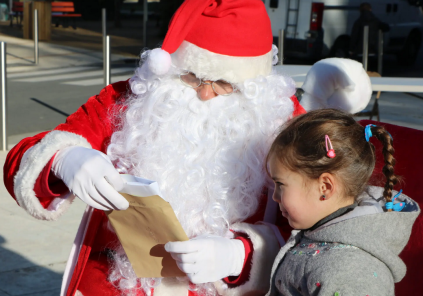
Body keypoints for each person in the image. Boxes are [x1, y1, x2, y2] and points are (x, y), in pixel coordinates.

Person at [3, 0, 371, 295]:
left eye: (225, 84)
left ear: (255, 84)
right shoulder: (127, 101)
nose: (205, 93)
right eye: (193, 76)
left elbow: (324, 228)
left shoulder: (284, 123)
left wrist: (240, 255)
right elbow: (22, 160)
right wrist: (65, 159)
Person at [265, 109, 420, 296]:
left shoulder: (349, 272)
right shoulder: (318, 234)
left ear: (325, 187)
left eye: (280, 184)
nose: (275, 196)